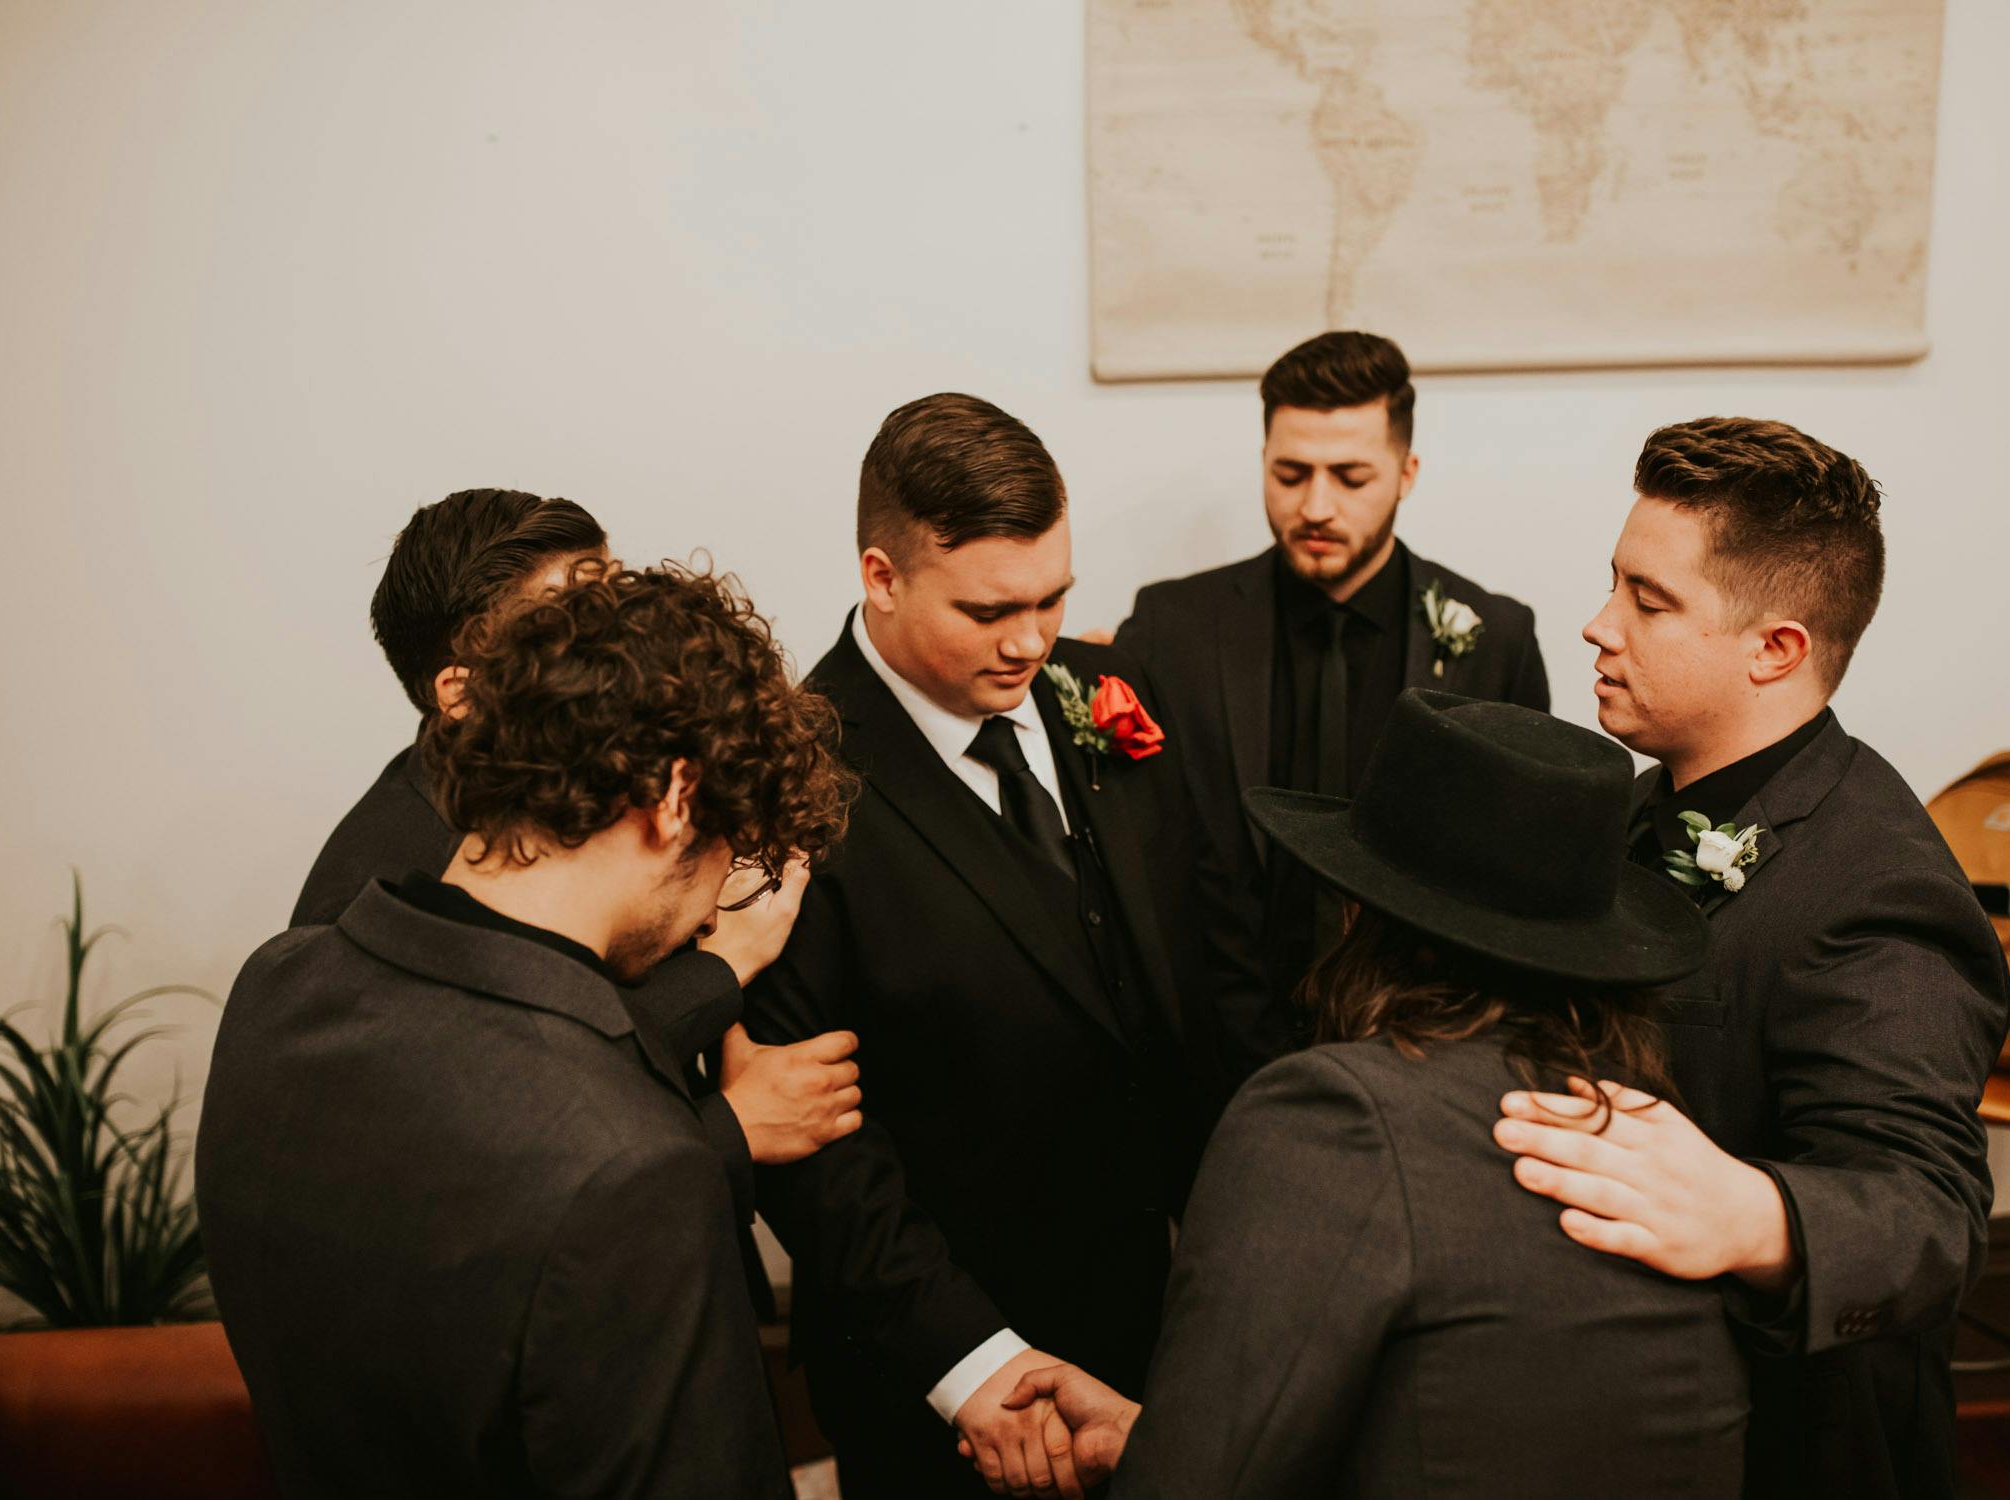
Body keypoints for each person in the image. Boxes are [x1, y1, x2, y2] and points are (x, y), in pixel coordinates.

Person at [969, 693, 1744, 1499]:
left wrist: (1164, 1450)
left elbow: (1200, 1483)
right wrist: (1146, 1433)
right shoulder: (1647, 1130)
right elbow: (1479, 1416)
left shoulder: (1334, 1116)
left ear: (1360, 914)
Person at [199, 561, 857, 1497]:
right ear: (676, 798)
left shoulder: (278, 982)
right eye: (731, 846)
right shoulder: (633, 1173)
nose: (719, 901)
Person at [745, 393, 1258, 1499]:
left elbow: (1210, 968)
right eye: (988, 610)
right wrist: (977, 1365)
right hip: (945, 1373)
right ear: (882, 576)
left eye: (1052, 597)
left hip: (1167, 1321)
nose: (1031, 641)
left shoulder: (1110, 691)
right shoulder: (785, 779)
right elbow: (815, 1144)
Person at [1497, 418, 2010, 1499]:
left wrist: (1750, 1214)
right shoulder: (1639, 806)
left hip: (1782, 1439)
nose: (1598, 626)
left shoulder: (1882, 891)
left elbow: (1929, 1215)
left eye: (1649, 602)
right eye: (1613, 584)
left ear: (1775, 649)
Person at [288, 489, 856, 1313]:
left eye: (611, 596)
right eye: (571, 617)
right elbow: (463, 1174)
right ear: (460, 693)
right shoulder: (362, 895)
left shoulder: (605, 800)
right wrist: (725, 1103)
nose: (614, 635)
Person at [1110, 331, 1550, 1060]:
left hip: (1423, 1051)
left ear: (1406, 473)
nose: (1316, 506)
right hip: (1205, 1052)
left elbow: (1518, 881)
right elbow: (1142, 849)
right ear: (1263, 461)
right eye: (1290, 474)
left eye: (1350, 477)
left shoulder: (1497, 638)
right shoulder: (1169, 627)